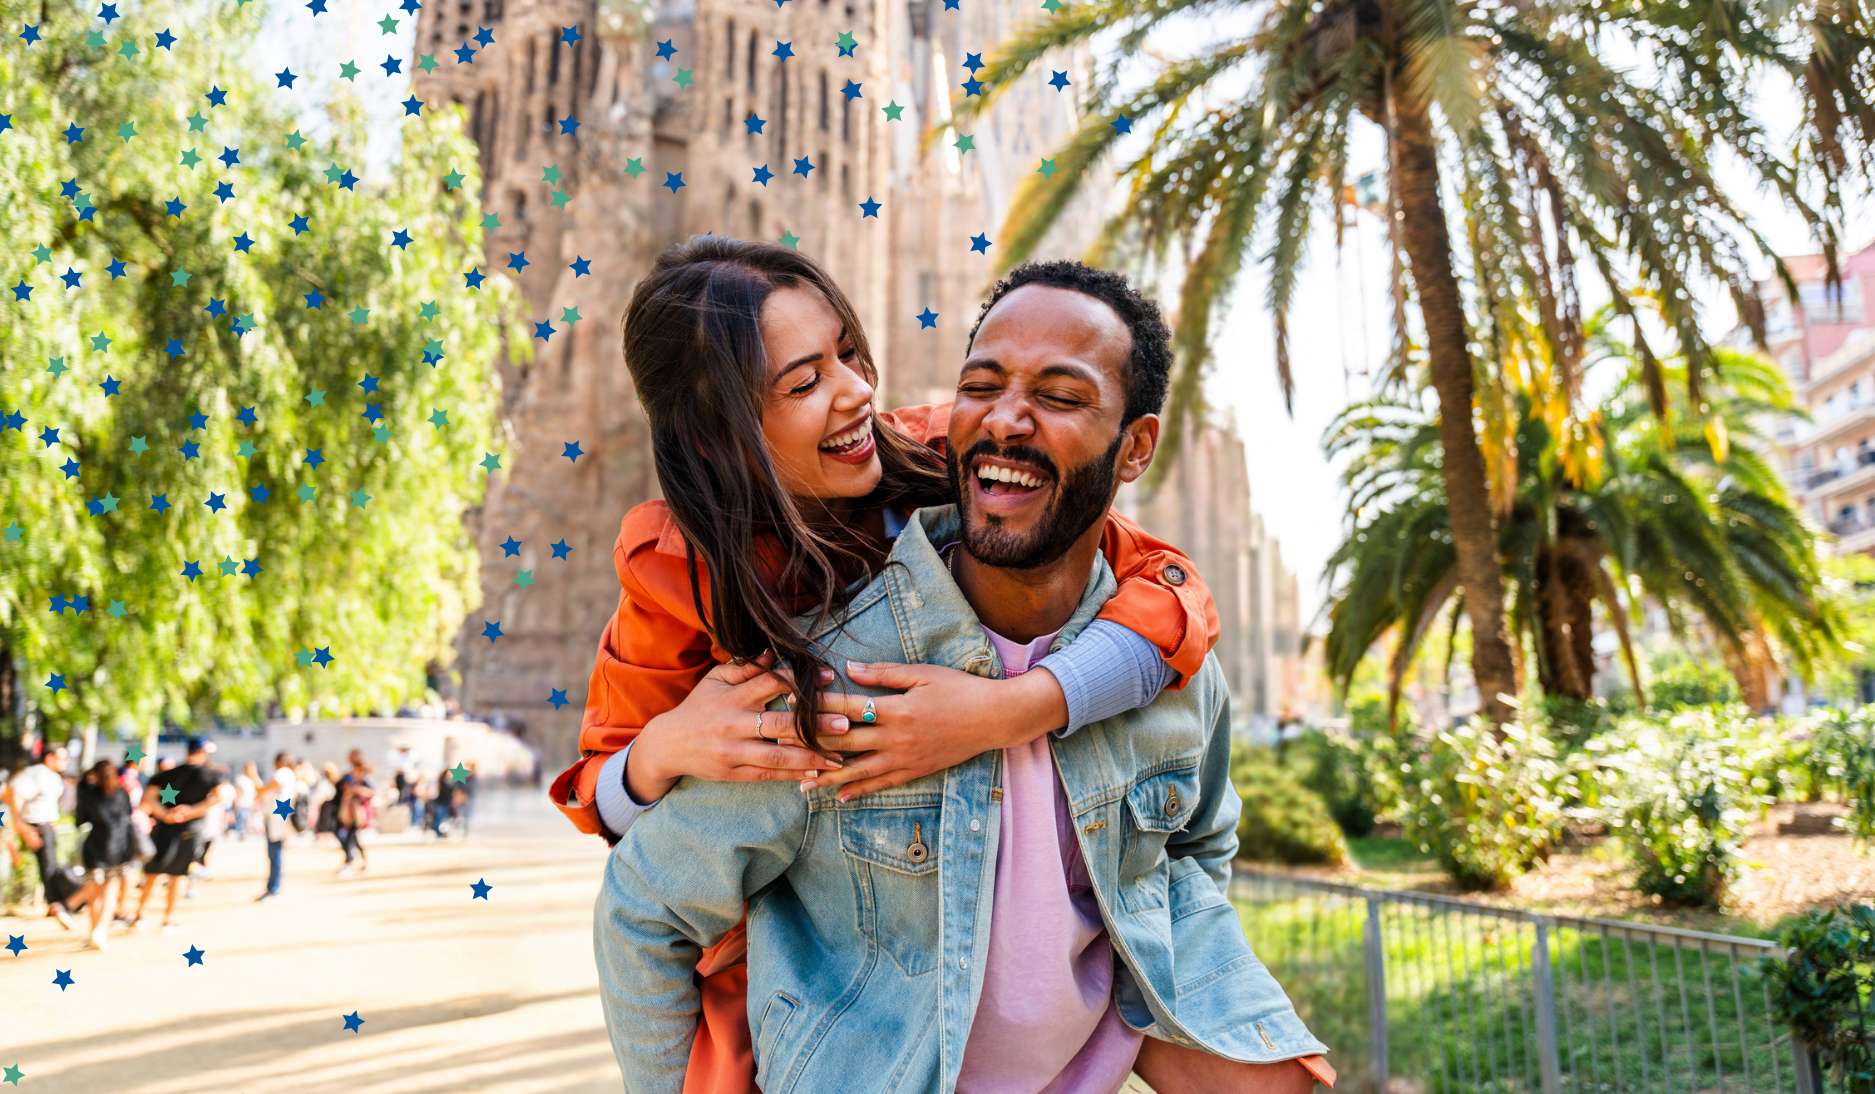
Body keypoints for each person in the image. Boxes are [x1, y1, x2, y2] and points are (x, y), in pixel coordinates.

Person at [596, 260, 1331, 1093]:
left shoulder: (930, 449)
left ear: (1135, 445)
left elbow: (1169, 592)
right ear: (715, 430)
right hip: (791, 986)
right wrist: (659, 751)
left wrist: (1016, 707)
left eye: (850, 354)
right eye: (803, 381)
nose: (851, 394)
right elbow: (632, 865)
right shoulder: (686, 581)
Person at [129, 737, 230, 933]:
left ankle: (141, 914)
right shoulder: (211, 775)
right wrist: (191, 811)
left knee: (153, 872)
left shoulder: (168, 774)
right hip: (189, 830)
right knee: (179, 874)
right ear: (203, 752)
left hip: (163, 828)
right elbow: (218, 797)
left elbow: (149, 795)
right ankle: (169, 918)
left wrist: (164, 814)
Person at [4, 744, 74, 929]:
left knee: (52, 866)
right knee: (49, 867)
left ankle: (60, 904)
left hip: (46, 825)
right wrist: (21, 825)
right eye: (62, 757)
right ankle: (58, 905)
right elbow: (16, 794)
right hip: (36, 825)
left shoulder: (50, 776)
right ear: (49, 757)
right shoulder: (38, 773)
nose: (66, 761)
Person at [70, 760, 137, 949]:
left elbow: (79, 821)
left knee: (94, 895)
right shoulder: (122, 793)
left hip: (94, 850)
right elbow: (128, 815)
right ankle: (101, 931)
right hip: (119, 849)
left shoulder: (88, 796)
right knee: (109, 894)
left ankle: (93, 933)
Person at [249, 753, 298, 902]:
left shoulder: (283, 773)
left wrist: (252, 775)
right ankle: (273, 888)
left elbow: (263, 790)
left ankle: (274, 889)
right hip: (279, 815)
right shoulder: (290, 774)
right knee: (275, 853)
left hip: (276, 817)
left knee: (274, 853)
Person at [334, 750, 375, 877]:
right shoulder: (350, 778)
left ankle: (349, 862)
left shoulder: (366, 780)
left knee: (351, 837)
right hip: (350, 812)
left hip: (360, 812)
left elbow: (374, 792)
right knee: (353, 837)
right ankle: (361, 859)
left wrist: (359, 790)